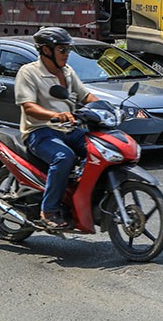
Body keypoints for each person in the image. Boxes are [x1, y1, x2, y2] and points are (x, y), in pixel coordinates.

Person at [15, 27, 99, 229]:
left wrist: (103, 108)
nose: (66, 54)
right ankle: (49, 210)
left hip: (69, 129)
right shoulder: (29, 72)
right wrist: (55, 115)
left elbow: (85, 96)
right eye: (62, 49)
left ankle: (81, 196)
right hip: (39, 131)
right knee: (64, 157)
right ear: (46, 50)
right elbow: (29, 106)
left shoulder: (68, 72)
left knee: (99, 148)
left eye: (68, 50)